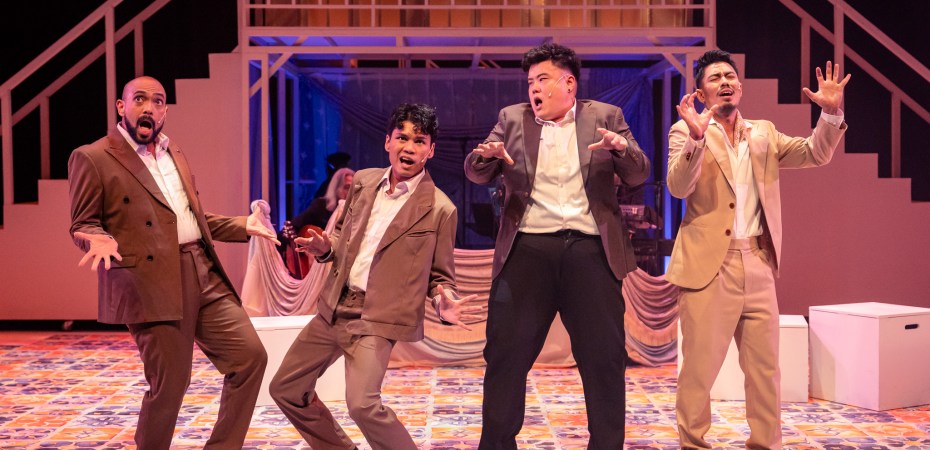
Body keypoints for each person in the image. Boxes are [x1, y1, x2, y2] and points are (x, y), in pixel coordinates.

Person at [67, 76, 280, 449]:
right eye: (140, 99)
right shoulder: (94, 156)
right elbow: (82, 223)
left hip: (202, 269)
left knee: (250, 358)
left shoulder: (173, 151)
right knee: (170, 384)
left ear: (164, 111)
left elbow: (186, 217)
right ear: (122, 106)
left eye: (158, 101)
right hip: (150, 281)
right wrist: (94, 237)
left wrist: (239, 225)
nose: (149, 107)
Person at [464, 43, 651, 449]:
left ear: (569, 83)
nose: (534, 88)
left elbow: (638, 173)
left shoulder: (605, 117)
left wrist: (621, 149)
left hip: (591, 252)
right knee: (505, 356)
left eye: (543, 79)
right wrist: (487, 157)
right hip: (527, 250)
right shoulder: (511, 119)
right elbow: (476, 172)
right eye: (530, 81)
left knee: (603, 359)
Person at [269, 103, 484, 450]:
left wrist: (443, 301)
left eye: (419, 141)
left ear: (431, 150)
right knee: (285, 389)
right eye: (402, 137)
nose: (409, 147)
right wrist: (325, 247)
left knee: (362, 405)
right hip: (334, 307)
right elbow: (341, 241)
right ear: (388, 141)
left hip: (377, 319)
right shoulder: (363, 182)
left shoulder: (441, 208)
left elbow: (440, 275)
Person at [667, 50, 850, 449]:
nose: (725, 82)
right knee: (699, 371)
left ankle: (766, 445)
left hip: (758, 262)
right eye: (715, 78)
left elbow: (815, 153)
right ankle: (693, 444)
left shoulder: (763, 132)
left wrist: (830, 113)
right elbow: (678, 187)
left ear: (740, 86)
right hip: (708, 268)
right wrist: (696, 138)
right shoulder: (686, 131)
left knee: (765, 371)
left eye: (730, 76)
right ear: (700, 92)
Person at [289, 167, 355, 234]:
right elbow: (295, 225)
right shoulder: (321, 205)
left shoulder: (357, 210)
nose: (351, 192)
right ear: (336, 188)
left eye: (353, 188)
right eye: (347, 187)